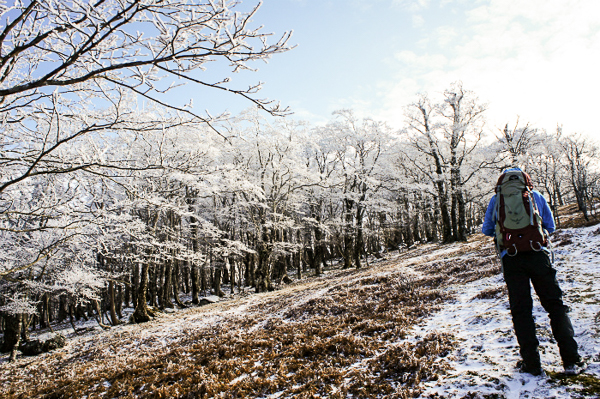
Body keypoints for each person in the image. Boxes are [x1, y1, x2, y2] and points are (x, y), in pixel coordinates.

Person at [481, 167, 584, 376]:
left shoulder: (496, 200)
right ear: (525, 180)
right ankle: (571, 360)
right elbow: (551, 226)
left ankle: (532, 364)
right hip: (539, 255)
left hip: (511, 258)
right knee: (555, 305)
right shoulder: (535, 196)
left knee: (521, 311)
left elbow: (486, 230)